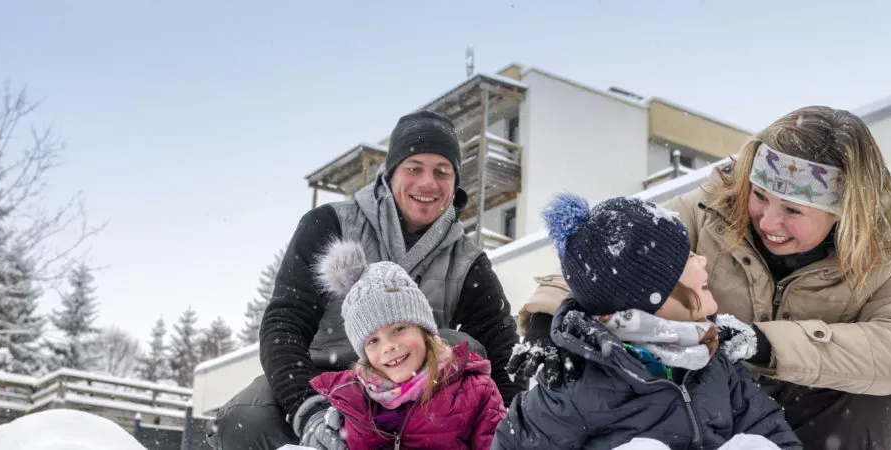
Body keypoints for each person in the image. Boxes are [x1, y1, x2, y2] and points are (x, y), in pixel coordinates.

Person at [507, 106, 891, 450]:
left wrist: (764, 343)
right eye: (761, 195)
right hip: (695, 397)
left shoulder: (882, 245)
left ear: (846, 211)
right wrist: (548, 324)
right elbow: (610, 257)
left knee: (874, 403)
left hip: (804, 404)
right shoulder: (710, 209)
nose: (770, 221)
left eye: (793, 210)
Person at [209, 111, 523, 450]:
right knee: (246, 417)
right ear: (390, 175)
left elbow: (503, 354)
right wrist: (307, 407)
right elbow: (283, 324)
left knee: (462, 344)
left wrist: (515, 428)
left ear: (455, 182)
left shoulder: (467, 262)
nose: (427, 183)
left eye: (441, 172)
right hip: (323, 379)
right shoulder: (330, 225)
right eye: (414, 168)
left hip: (412, 395)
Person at [492, 194, 801, 449]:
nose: (701, 259)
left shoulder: (713, 358)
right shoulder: (579, 382)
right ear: (651, 297)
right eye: (686, 259)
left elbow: (771, 430)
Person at [304, 240, 506, 449]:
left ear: (423, 330)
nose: (388, 346)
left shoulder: (475, 391)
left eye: (398, 329)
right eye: (373, 340)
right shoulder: (352, 397)